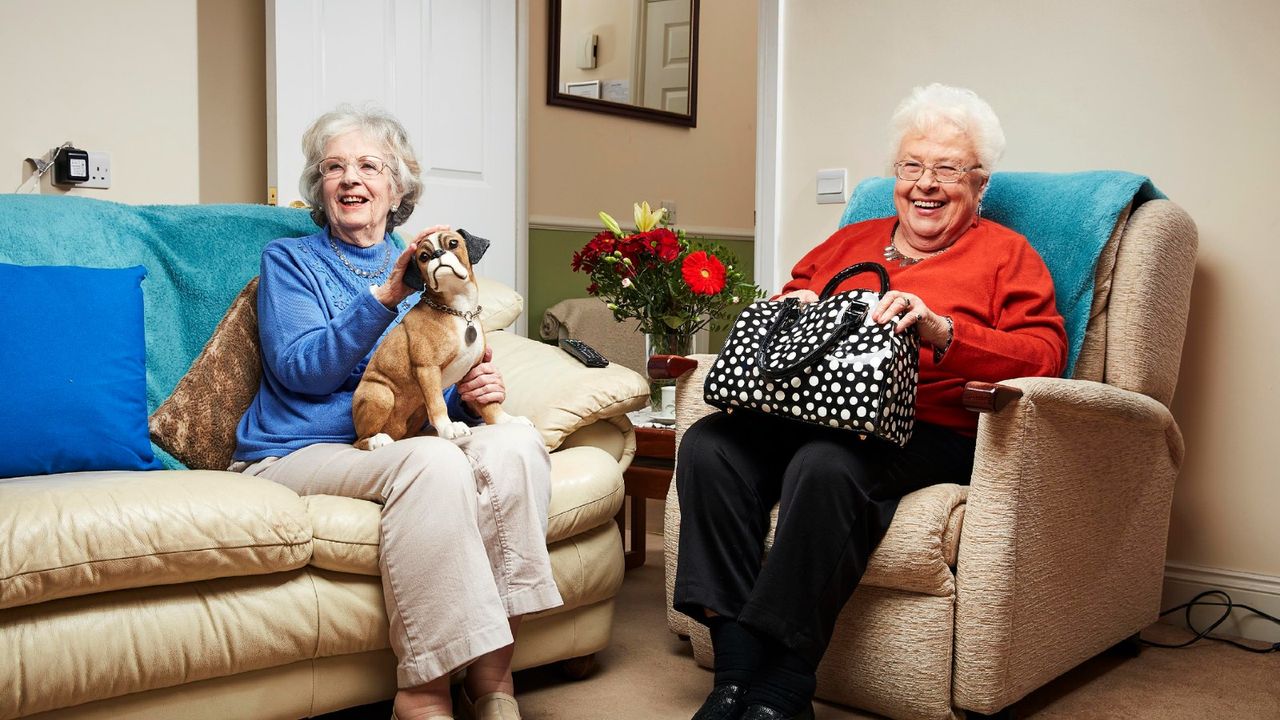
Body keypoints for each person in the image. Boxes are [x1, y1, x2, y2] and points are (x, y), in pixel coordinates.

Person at [673, 84, 1068, 720]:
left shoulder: (1006, 256)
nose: (927, 185)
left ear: (980, 185)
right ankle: (735, 676)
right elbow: (785, 307)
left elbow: (1044, 356)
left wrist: (943, 331)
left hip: (925, 425)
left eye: (947, 169)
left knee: (825, 464)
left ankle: (782, 688)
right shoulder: (848, 243)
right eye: (912, 166)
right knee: (709, 444)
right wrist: (792, 309)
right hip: (810, 410)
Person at [231, 105, 559, 720]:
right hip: (299, 448)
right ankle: (425, 689)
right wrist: (385, 295)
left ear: (397, 186)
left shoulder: (432, 264)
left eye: (368, 165)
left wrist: (475, 386)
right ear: (318, 187)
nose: (349, 179)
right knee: (433, 463)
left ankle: (492, 675)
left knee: (514, 446)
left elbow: (431, 373)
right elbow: (302, 370)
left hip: (405, 432)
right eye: (333, 167)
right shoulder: (290, 260)